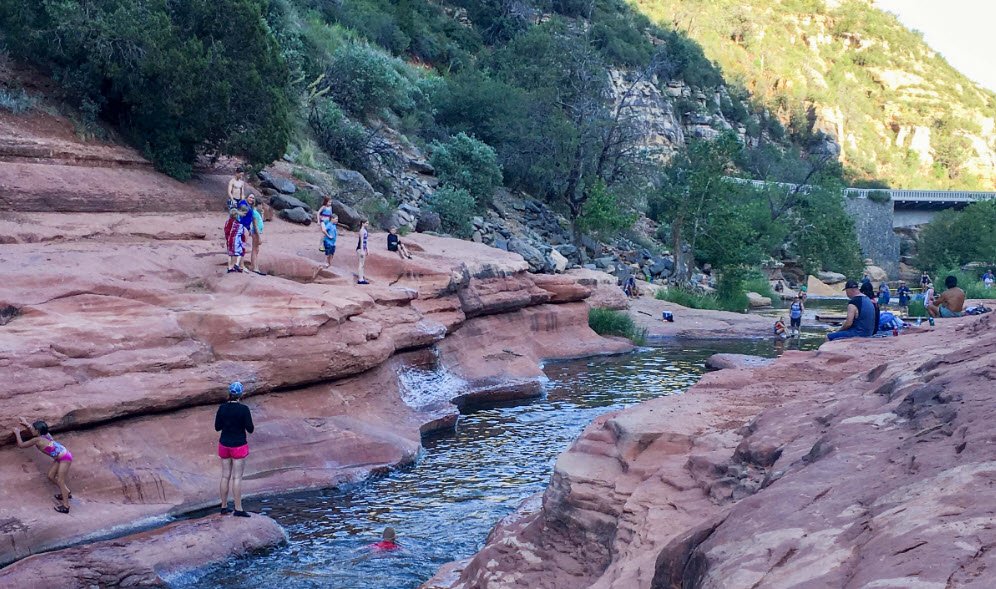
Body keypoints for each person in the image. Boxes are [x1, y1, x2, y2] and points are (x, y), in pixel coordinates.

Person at [13, 417, 73, 513]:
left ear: (37, 431)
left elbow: (21, 445)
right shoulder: (46, 435)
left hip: (65, 458)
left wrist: (17, 433)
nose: (31, 429)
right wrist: (26, 424)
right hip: (61, 457)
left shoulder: (36, 440)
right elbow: (35, 430)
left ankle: (66, 506)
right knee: (51, 476)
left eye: (33, 428)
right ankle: (66, 492)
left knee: (61, 481)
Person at [216, 381, 254, 517]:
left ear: (229, 394)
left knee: (225, 476)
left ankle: (224, 507)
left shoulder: (222, 408)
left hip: (224, 444)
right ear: (240, 394)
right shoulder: (244, 409)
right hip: (238, 445)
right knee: (237, 477)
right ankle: (238, 508)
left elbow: (217, 427)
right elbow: (250, 429)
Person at [225, 208, 248, 273]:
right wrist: (243, 241)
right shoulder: (238, 225)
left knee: (230, 254)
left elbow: (226, 231)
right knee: (240, 252)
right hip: (236, 241)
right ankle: (237, 264)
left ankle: (229, 268)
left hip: (229, 240)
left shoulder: (227, 222)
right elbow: (241, 234)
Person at [248, 198, 265, 275]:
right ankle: (254, 267)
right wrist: (259, 237)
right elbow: (255, 225)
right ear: (257, 205)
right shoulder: (254, 213)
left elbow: (261, 220)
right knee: (255, 249)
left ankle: (255, 266)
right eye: (261, 205)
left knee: (256, 249)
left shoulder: (257, 213)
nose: (261, 207)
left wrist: (262, 213)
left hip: (257, 232)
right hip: (255, 233)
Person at [356, 220, 370, 285]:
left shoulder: (365, 231)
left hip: (363, 248)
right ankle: (360, 279)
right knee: (361, 264)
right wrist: (362, 250)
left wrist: (366, 249)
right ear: (363, 223)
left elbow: (365, 241)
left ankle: (361, 277)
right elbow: (361, 241)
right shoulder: (362, 231)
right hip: (360, 249)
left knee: (362, 264)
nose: (367, 224)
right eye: (366, 223)